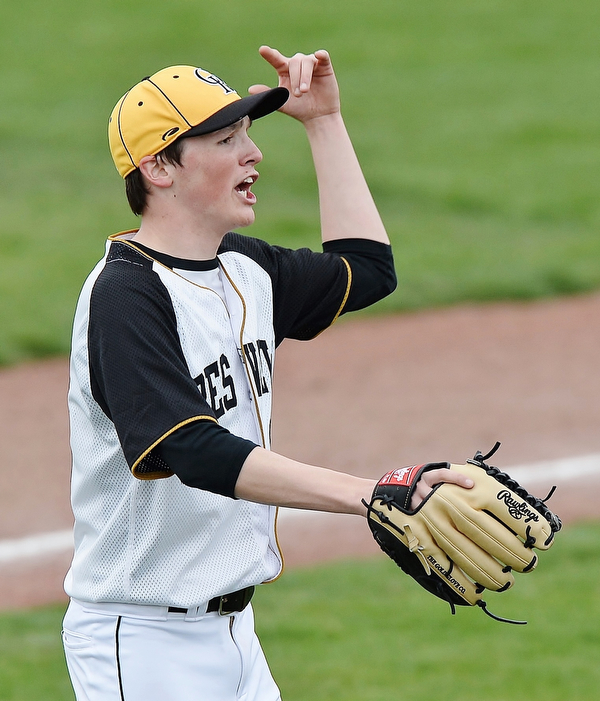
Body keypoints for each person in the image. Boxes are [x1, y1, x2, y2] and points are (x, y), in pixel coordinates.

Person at [62, 46, 472, 701]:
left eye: (249, 134)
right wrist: (368, 493)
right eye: (226, 139)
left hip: (237, 639)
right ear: (159, 167)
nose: (253, 154)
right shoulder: (124, 296)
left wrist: (325, 124)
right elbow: (189, 447)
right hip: (142, 647)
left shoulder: (242, 268)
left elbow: (366, 269)